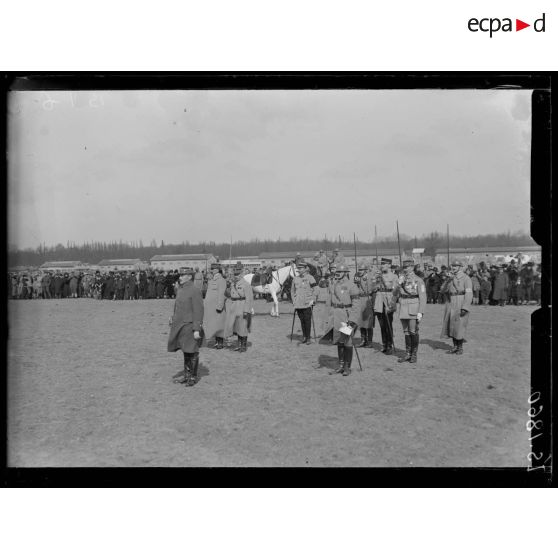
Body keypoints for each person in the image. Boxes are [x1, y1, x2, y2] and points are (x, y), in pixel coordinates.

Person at [168, 267, 204, 387]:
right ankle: (187, 375)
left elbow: (198, 310)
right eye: (180, 275)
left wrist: (197, 329)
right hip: (180, 325)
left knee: (192, 350)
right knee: (185, 350)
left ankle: (192, 377)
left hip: (189, 325)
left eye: (183, 275)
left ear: (189, 276)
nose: (180, 277)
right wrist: (173, 317)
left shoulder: (194, 290)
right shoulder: (181, 289)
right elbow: (177, 306)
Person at [391, 259, 426, 363]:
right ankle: (408, 353)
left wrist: (421, 311)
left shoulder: (418, 280)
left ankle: (414, 354)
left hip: (414, 307)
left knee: (413, 331)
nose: (405, 269)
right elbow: (394, 292)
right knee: (406, 332)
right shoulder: (400, 279)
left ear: (412, 267)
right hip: (403, 306)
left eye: (407, 267)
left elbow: (423, 297)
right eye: (404, 267)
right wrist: (398, 283)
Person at [327, 264, 360, 376]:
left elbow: (356, 305)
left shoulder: (352, 286)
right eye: (337, 272)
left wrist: (353, 319)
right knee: (339, 341)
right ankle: (341, 365)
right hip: (337, 315)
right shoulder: (335, 284)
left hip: (347, 315)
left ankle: (347, 367)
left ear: (346, 272)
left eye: (340, 272)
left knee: (347, 341)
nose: (337, 274)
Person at [440, 260, 473, 355]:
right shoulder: (450, 277)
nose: (453, 267)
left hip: (461, 300)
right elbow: (442, 290)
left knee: (460, 325)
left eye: (456, 266)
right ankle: (454, 346)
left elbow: (469, 293)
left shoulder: (466, 278)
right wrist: (448, 280)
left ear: (460, 267)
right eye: (452, 265)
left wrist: (465, 307)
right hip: (451, 301)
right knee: (451, 325)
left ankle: (460, 347)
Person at [224, 266, 254, 353]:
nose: (236, 276)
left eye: (238, 275)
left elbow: (249, 298)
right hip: (234, 307)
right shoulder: (233, 284)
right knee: (237, 327)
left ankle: (243, 346)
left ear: (241, 275)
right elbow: (228, 295)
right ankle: (239, 344)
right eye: (235, 275)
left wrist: (246, 310)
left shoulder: (246, 284)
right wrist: (228, 286)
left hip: (242, 306)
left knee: (243, 327)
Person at [372, 260, 398, 354]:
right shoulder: (378, 275)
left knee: (388, 325)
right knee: (382, 325)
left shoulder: (394, 276)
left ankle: (390, 345)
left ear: (389, 265)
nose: (382, 266)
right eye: (381, 264)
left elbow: (395, 292)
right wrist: (375, 281)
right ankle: (384, 344)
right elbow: (373, 288)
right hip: (379, 301)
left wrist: (392, 304)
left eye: (384, 264)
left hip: (388, 300)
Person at [291, 260, 318, 345]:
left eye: (301, 268)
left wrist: (313, 300)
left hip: (307, 303)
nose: (300, 270)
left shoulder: (310, 278)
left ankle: (308, 337)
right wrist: (294, 301)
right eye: (299, 268)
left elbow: (316, 289)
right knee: (302, 320)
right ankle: (304, 336)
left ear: (306, 269)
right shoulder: (295, 279)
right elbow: (292, 291)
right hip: (298, 304)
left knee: (307, 320)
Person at [204, 263, 227, 349]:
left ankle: (220, 342)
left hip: (217, 306)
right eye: (211, 269)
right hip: (210, 307)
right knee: (213, 324)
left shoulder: (221, 280)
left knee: (219, 324)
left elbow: (222, 294)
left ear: (217, 270)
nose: (211, 270)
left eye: (213, 269)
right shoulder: (212, 280)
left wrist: (220, 306)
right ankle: (216, 341)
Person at [353, 261, 374, 348]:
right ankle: (363, 340)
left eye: (362, 270)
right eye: (359, 269)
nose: (360, 271)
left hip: (367, 299)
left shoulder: (368, 277)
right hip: (359, 299)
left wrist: (361, 282)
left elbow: (369, 290)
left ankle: (369, 341)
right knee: (361, 321)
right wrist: (356, 283)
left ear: (366, 270)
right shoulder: (358, 277)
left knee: (368, 322)